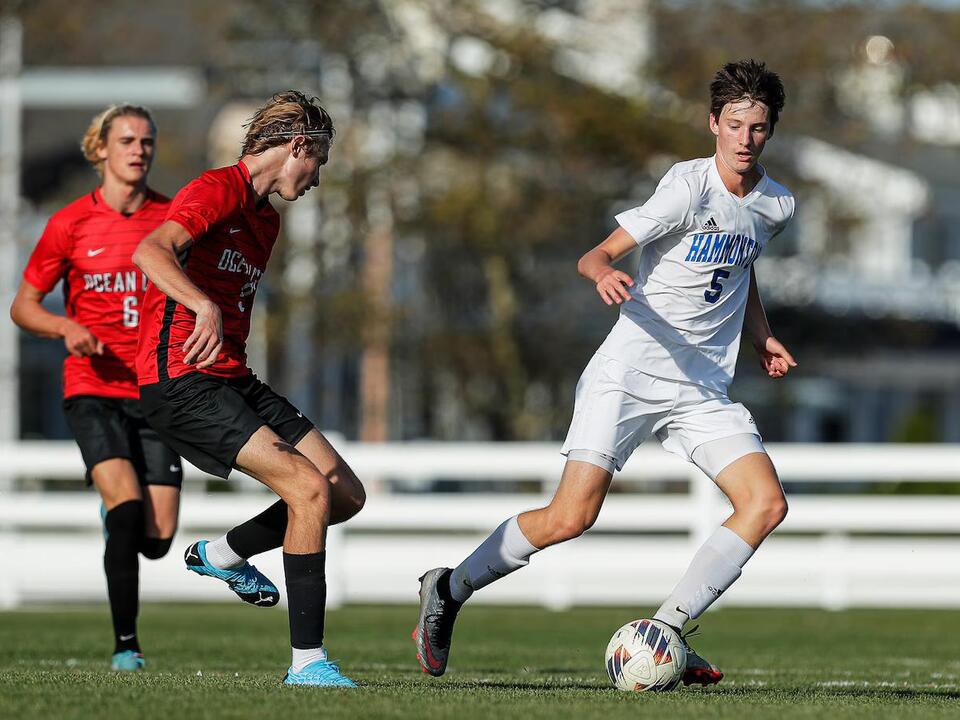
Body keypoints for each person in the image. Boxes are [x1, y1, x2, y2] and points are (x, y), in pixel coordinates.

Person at [414, 59, 797, 686]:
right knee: (570, 518)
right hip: (630, 372)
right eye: (734, 125)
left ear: (770, 130)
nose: (746, 139)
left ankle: (666, 630)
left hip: (701, 388)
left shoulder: (776, 205)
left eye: (758, 127)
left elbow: (742, 264)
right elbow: (595, 255)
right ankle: (449, 589)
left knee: (764, 503)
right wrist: (604, 274)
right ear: (713, 125)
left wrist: (761, 335)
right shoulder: (686, 188)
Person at [133, 90, 365, 687]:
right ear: (298, 147)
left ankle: (225, 554)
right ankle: (308, 664)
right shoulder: (217, 189)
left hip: (231, 377)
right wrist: (201, 305)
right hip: (180, 378)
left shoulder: (267, 220)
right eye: (320, 162)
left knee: (343, 493)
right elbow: (150, 251)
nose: (317, 179)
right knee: (308, 491)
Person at [10, 104, 182, 672]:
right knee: (128, 507)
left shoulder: (172, 220)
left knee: (157, 539)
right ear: (101, 149)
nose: (139, 150)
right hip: (93, 389)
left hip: (156, 390)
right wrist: (66, 325)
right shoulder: (69, 224)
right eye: (128, 140)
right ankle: (126, 647)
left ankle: (120, 518)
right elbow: (23, 307)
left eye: (147, 141)